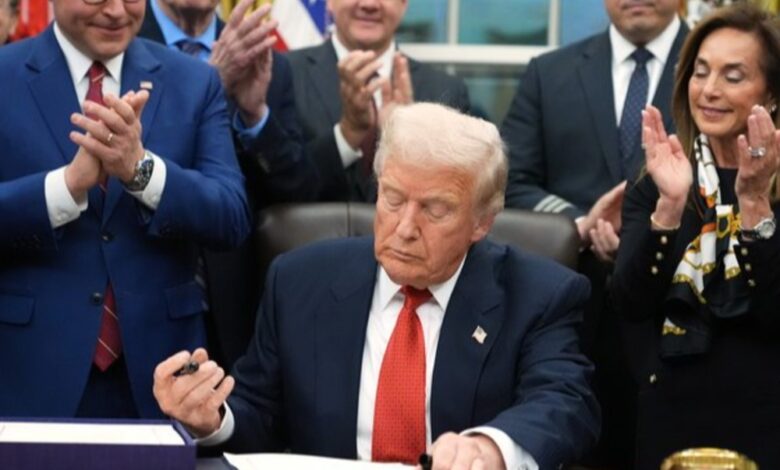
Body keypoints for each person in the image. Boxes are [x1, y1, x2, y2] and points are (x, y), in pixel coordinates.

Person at [154, 103, 600, 470]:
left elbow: (565, 402)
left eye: (435, 210)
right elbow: (259, 415)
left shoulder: (538, 294)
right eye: (393, 199)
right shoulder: (298, 281)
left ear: (482, 221)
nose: (405, 228)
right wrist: (212, 418)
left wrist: (489, 449)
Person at [0, 0, 250, 419]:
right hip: (30, 369)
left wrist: (141, 171)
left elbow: (231, 216)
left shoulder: (193, 81)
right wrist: (66, 187)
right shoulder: (6, 76)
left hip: (163, 374)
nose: (116, 11)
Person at [500, 1, 687, 466]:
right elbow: (511, 180)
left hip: (685, 320)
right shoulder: (549, 73)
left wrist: (651, 230)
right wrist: (581, 223)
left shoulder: (712, 67)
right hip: (575, 317)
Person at [612, 4, 780, 469]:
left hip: (768, 417)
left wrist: (755, 203)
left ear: (771, 95)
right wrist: (668, 208)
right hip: (671, 415)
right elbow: (628, 303)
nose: (709, 90)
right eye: (700, 72)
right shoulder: (660, 178)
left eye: (733, 76)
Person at [138, 0, 319, 370]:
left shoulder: (262, 58)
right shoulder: (122, 45)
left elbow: (300, 190)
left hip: (233, 309)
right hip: (138, 296)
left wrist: (256, 117)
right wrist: (210, 83)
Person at [288, 0, 470, 202]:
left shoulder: (445, 91)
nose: (369, 4)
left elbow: (454, 198)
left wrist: (405, 139)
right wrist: (347, 135)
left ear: (404, 4)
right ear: (329, 2)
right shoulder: (284, 74)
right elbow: (278, 187)